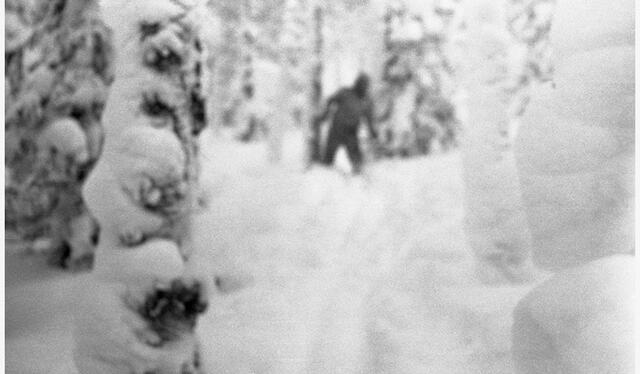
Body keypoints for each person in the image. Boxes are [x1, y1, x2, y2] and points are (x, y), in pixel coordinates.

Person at [315, 73, 378, 174]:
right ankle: (323, 176)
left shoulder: (366, 101)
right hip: (337, 129)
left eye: (365, 85)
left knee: (357, 160)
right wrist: (324, 115)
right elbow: (331, 100)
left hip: (351, 132)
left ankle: (358, 179)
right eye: (361, 84)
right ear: (357, 83)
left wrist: (373, 132)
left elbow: (369, 119)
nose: (363, 87)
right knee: (328, 158)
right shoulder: (345, 93)